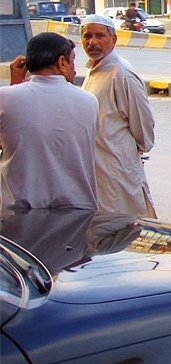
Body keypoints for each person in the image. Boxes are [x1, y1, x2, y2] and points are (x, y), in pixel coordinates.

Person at [1, 32, 99, 210]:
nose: (75, 69)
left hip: (22, 217)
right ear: (62, 62)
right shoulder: (89, 101)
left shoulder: (5, 98)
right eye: (72, 60)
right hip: (78, 212)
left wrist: (15, 83)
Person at [80, 15, 157, 217]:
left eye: (100, 36)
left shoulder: (121, 73)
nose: (93, 42)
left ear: (113, 39)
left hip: (117, 168)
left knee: (124, 227)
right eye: (87, 36)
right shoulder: (94, 70)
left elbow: (143, 125)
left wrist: (128, 150)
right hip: (98, 168)